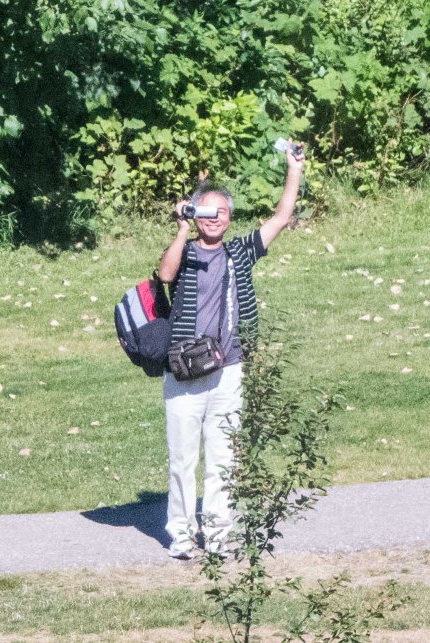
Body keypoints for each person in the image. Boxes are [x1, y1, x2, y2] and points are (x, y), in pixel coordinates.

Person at [157, 142, 306, 559]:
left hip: (229, 369)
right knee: (183, 460)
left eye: (220, 212)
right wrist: (183, 226)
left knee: (224, 459)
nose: (214, 219)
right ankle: (182, 536)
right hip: (184, 372)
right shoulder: (185, 252)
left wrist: (293, 170)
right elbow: (164, 273)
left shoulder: (239, 252)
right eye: (205, 211)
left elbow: (280, 218)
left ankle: (220, 536)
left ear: (230, 217)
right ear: (195, 213)